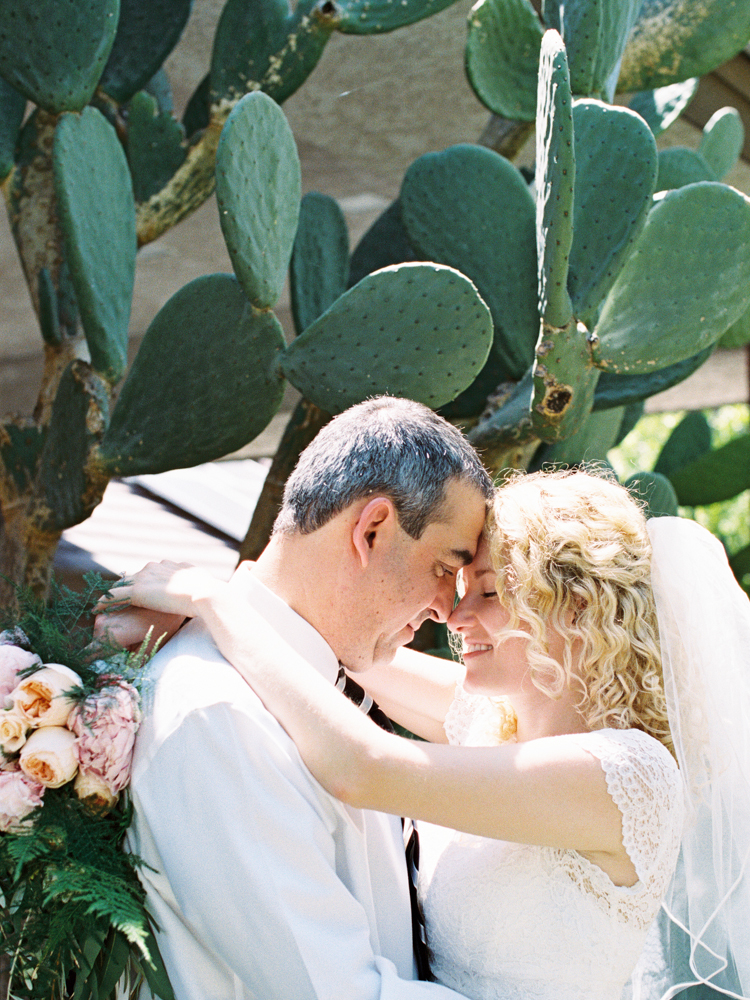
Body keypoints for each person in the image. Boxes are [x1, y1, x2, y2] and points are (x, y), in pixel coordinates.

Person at [107, 468, 750, 1000]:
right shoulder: (495, 721)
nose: (455, 615)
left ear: (575, 607)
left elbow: (363, 767)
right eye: (460, 587)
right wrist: (196, 617)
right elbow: (347, 646)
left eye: (491, 593)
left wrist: (217, 605)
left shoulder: (627, 777)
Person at [102, 396, 494, 1000]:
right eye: (446, 567)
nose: (449, 607)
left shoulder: (322, 683)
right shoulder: (221, 715)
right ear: (371, 530)